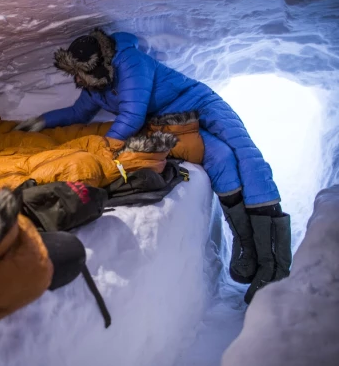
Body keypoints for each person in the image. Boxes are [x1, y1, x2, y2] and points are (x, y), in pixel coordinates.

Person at [14, 29, 291, 304]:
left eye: (78, 72)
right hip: (174, 122)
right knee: (221, 159)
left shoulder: (130, 62)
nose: (75, 79)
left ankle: (274, 267)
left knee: (246, 153)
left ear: (97, 66)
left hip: (200, 102)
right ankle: (247, 247)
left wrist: (106, 148)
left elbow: (132, 116)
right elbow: (77, 112)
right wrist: (42, 121)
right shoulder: (97, 86)